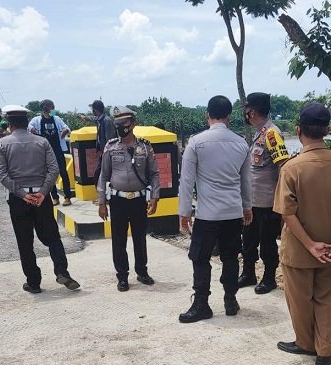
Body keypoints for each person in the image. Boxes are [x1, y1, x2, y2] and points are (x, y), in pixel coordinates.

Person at [273, 102, 331, 365]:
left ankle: (305, 343)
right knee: (325, 297)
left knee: (299, 300)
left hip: (300, 250)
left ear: (298, 130)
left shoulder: (292, 168)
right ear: (327, 129)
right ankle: (325, 349)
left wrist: (311, 245)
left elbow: (288, 214)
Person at [178, 95, 252, 323]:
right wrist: (247, 207)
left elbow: (186, 181)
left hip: (207, 214)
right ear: (229, 116)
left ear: (206, 115)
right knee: (231, 257)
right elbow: (246, 181)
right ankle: (230, 300)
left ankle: (201, 304)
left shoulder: (196, 143)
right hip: (232, 212)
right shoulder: (241, 143)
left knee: (200, 258)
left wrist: (184, 212)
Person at [0, 105, 80, 294]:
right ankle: (62, 271)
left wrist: (24, 195)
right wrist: (42, 192)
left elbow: (1, 175)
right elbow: (54, 169)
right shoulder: (42, 142)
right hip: (42, 198)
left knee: (25, 242)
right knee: (53, 236)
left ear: (10, 124)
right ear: (26, 122)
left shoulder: (2, 144)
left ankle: (34, 282)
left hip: (18, 200)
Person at [97, 106, 160, 292]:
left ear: (132, 124)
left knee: (140, 239)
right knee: (119, 240)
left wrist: (155, 197)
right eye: (117, 123)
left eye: (123, 123)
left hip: (139, 200)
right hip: (118, 201)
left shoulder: (144, 147)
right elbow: (103, 175)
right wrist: (102, 202)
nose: (119, 127)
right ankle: (122, 276)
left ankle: (142, 271)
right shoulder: (111, 146)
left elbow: (154, 173)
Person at [238, 92, 290, 294]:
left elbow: (283, 167)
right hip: (252, 201)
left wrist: (282, 200)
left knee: (267, 242)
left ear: (255, 111)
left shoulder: (271, 134)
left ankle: (269, 277)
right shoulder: (260, 133)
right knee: (248, 239)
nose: (246, 114)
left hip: (267, 201)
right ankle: (248, 273)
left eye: (247, 110)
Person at [29, 100, 73, 206]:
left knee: (63, 172)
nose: (48, 108)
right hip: (45, 151)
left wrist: (65, 131)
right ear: (43, 107)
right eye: (47, 106)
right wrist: (33, 130)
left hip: (57, 149)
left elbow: (67, 128)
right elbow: (29, 127)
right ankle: (55, 197)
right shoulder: (36, 120)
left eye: (49, 106)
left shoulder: (56, 119)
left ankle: (67, 196)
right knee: (49, 175)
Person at [80, 100, 117, 188]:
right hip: (103, 152)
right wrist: (84, 117)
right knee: (102, 174)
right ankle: (103, 196)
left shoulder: (107, 121)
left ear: (95, 110)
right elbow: (93, 119)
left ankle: (103, 197)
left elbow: (110, 140)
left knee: (100, 174)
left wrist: (107, 153)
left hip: (108, 153)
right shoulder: (100, 119)